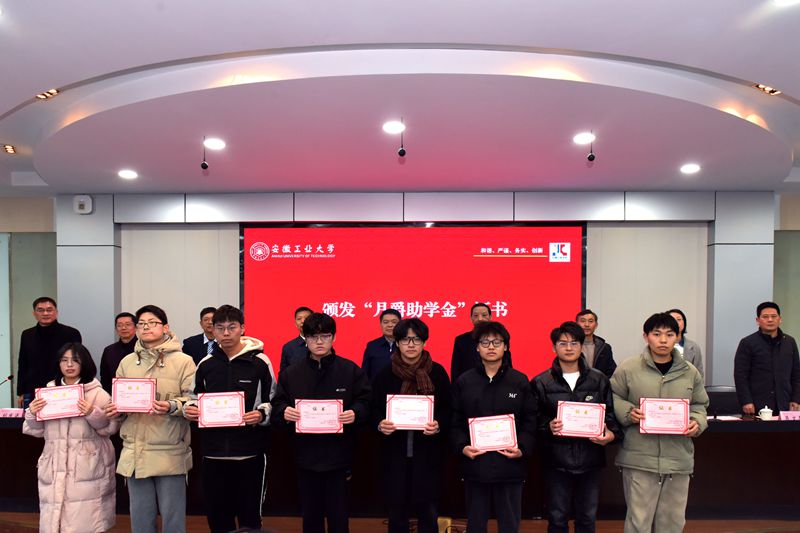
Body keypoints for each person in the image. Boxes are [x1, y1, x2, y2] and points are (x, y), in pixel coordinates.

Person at [271, 312, 371, 533]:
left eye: (325, 336)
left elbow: (366, 401)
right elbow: (277, 404)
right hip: (305, 456)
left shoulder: (350, 370)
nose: (319, 341)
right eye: (313, 336)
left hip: (339, 456)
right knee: (310, 516)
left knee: (339, 515)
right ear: (305, 338)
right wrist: (284, 412)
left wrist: (355, 412)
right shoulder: (291, 373)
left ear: (333, 337)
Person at [610, 312, 708, 533]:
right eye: (656, 334)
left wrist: (697, 422)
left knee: (672, 523)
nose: (663, 340)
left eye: (669, 334)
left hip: (678, 458)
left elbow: (700, 404)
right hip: (639, 458)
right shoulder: (629, 368)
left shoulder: (689, 372)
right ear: (646, 337)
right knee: (638, 522)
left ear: (677, 337)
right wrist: (628, 412)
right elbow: (612, 397)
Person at [184, 304, 276, 533]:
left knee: (250, 519)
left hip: (250, 452)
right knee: (217, 516)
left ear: (242, 328)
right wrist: (190, 409)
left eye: (231, 327)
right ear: (212, 330)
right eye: (220, 328)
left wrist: (261, 414)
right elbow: (193, 397)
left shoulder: (260, 362)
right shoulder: (205, 364)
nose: (226, 333)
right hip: (213, 453)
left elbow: (273, 399)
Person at [105, 304, 196, 533]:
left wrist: (171, 406)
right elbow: (120, 399)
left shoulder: (184, 361)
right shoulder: (127, 362)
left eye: (152, 323)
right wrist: (116, 409)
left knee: (173, 521)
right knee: (140, 521)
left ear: (165, 327)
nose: (146, 327)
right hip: (135, 451)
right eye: (142, 324)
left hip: (169, 450)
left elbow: (194, 400)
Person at [531, 321, 622, 533]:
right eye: (563, 343)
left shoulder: (599, 379)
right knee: (557, 519)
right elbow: (533, 421)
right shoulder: (541, 382)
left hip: (590, 461)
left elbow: (610, 417)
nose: (569, 348)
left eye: (574, 343)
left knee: (587, 519)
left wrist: (610, 435)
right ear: (554, 348)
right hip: (556, 462)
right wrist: (548, 426)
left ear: (581, 346)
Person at [23, 343, 120, 533]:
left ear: (85, 363)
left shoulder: (97, 393)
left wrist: (92, 412)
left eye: (75, 360)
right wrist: (32, 413)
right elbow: (36, 430)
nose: (69, 365)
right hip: (54, 466)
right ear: (58, 363)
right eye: (64, 360)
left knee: (84, 522)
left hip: (86, 469)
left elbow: (110, 428)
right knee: (55, 522)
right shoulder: (48, 393)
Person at [450, 321, 535, 533]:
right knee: (476, 525)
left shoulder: (519, 381)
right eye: (485, 342)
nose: (491, 347)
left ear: (505, 347)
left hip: (510, 465)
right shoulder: (464, 381)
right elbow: (455, 420)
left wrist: (522, 448)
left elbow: (530, 419)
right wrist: (462, 446)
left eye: (497, 342)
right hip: (475, 465)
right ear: (477, 347)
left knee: (509, 525)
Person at [370, 318, 452, 533]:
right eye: (406, 340)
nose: (411, 344)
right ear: (397, 343)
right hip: (394, 454)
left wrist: (438, 424)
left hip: (428, 454)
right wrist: (380, 424)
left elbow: (448, 408)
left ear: (424, 342)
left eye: (416, 339)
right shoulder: (385, 374)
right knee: (396, 513)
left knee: (428, 512)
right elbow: (373, 409)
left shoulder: (437, 373)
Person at [733, 301, 800, 415]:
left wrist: (796, 399)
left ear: (780, 319)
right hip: (756, 405)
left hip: (785, 403)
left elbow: (796, 373)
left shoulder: (789, 342)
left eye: (774, 316)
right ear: (757, 321)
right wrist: (746, 401)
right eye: (765, 317)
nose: (770, 320)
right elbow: (740, 375)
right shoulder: (748, 343)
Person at [17, 297, 82, 407]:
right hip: (34, 388)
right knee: (32, 417)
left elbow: (79, 362)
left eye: (49, 309)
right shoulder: (27, 335)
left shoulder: (71, 333)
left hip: (62, 387)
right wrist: (21, 392)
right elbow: (23, 364)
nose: (45, 313)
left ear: (56, 312)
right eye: (40, 310)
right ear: (34, 313)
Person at [451, 303, 513, 382]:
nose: (480, 319)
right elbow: (455, 369)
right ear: (471, 318)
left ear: (490, 317)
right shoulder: (461, 340)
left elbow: (508, 363)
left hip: (497, 382)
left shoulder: (500, 337)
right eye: (476, 315)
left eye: (484, 315)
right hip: (468, 383)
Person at [99, 312, 137, 392]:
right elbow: (105, 378)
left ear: (136, 327)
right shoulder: (109, 350)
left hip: (138, 392)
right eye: (119, 325)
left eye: (128, 324)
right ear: (116, 329)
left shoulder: (143, 349)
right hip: (114, 394)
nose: (123, 328)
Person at [362, 309, 402, 381]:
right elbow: (365, 374)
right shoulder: (372, 346)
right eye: (386, 322)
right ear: (381, 324)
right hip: (376, 387)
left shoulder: (406, 345)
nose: (390, 325)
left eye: (394, 322)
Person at [575, 309, 616, 378]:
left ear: (596, 325)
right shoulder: (570, 346)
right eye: (583, 321)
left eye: (590, 321)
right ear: (576, 324)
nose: (587, 325)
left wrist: (602, 383)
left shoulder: (605, 348)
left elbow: (611, 372)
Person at [666, 308, 704, 378]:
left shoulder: (694, 346)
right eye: (672, 319)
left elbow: (699, 373)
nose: (676, 322)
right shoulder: (659, 344)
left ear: (684, 323)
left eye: (679, 319)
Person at [280, 306, 314, 373]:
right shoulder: (288, 347)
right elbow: (283, 374)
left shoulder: (322, 343)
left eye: (306, 318)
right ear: (295, 324)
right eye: (299, 319)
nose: (303, 321)